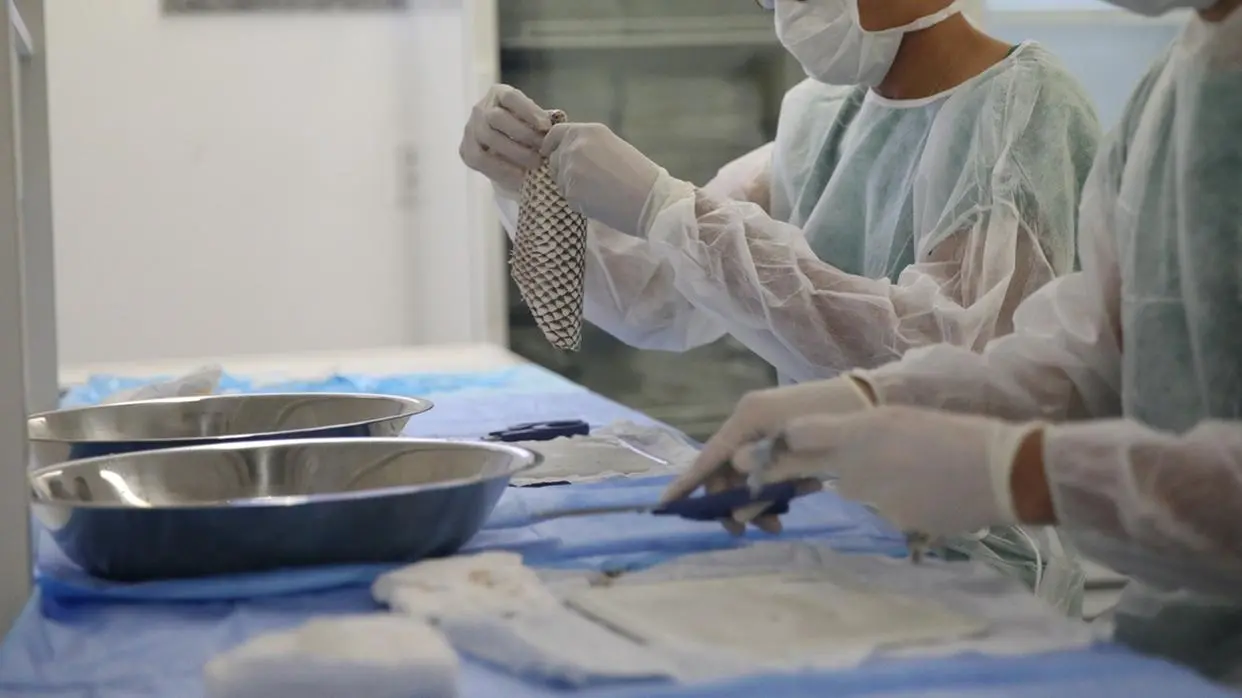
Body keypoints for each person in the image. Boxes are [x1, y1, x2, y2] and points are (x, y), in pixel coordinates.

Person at [664, 0, 1242, 683]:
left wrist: (1019, 471)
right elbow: (1081, 357)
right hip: (1177, 651)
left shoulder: (1029, 100)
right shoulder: (1174, 93)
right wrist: (875, 399)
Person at [460, 0, 1101, 384]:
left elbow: (952, 358)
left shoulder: (1022, 109)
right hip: (829, 508)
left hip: (971, 538)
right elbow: (663, 294)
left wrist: (666, 206)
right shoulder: (817, 115)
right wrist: (525, 178)